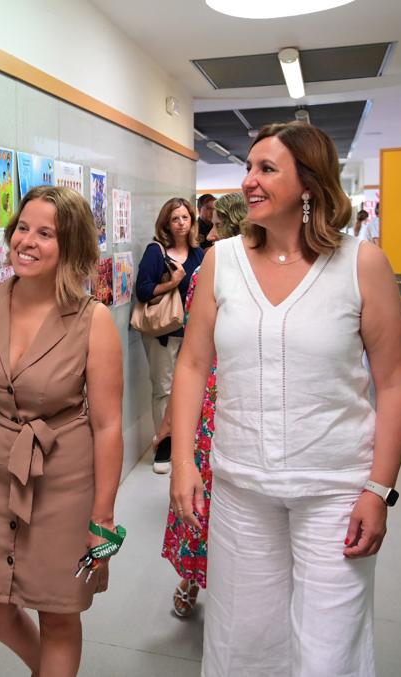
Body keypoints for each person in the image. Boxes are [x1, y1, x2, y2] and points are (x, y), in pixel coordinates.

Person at [170, 121, 401, 675]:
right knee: (243, 643)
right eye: (248, 167)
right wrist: (184, 461)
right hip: (241, 486)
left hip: (334, 489)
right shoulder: (222, 262)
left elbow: (396, 381)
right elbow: (191, 364)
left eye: (266, 168)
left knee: (330, 652)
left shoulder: (361, 264)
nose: (248, 181)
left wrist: (379, 488)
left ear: (309, 184)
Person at [0, 186, 124, 675]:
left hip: (65, 480)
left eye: (45, 233)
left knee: (58, 611)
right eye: (22, 228)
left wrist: (102, 519)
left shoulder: (92, 321)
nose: (27, 241)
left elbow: (108, 423)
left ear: (71, 246)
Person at [154, 192, 247, 619]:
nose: (207, 230)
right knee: (201, 497)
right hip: (211, 400)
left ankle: (233, 586)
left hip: (243, 400)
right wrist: (174, 426)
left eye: (215, 223)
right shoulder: (213, 269)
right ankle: (191, 579)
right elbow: (192, 357)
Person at [135, 197, 204, 472]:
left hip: (192, 333)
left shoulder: (200, 253)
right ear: (166, 222)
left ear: (192, 220)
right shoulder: (156, 252)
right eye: (175, 218)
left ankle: (185, 446)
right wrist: (173, 283)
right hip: (163, 332)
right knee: (164, 390)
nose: (181, 223)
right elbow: (143, 290)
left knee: (189, 389)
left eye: (185, 218)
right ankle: (164, 446)